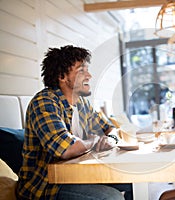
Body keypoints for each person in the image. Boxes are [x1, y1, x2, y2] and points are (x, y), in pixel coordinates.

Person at [16, 45, 132, 199]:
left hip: (77, 174)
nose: (89, 75)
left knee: (131, 180)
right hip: (46, 186)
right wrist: (95, 141)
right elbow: (66, 149)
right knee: (111, 197)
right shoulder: (44, 103)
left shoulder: (83, 104)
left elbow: (110, 129)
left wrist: (111, 139)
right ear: (62, 76)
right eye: (81, 71)